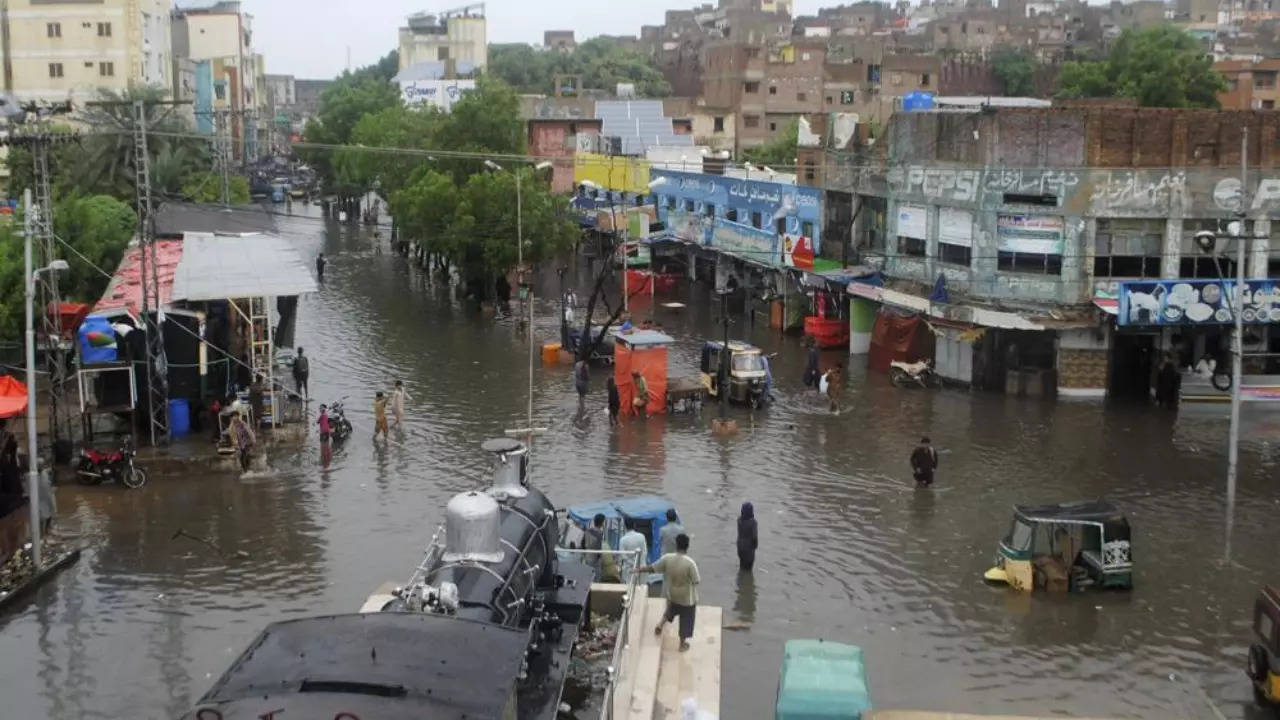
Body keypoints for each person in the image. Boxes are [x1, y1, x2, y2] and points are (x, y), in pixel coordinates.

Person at [637, 533, 700, 652]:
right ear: (687, 546)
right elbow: (696, 581)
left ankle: (660, 625)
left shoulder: (667, 558)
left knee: (671, 610)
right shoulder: (690, 563)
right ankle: (682, 644)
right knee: (686, 620)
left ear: (676, 545)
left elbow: (652, 568)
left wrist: (638, 570)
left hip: (672, 594)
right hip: (687, 598)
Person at [583, 513, 606, 581]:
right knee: (596, 577)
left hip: (587, 556)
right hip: (595, 558)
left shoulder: (587, 531)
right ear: (601, 522)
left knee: (588, 576)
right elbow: (598, 546)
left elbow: (583, 543)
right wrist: (599, 557)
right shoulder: (599, 533)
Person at [736, 502, 758, 571]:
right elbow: (754, 537)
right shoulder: (753, 523)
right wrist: (755, 546)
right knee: (748, 570)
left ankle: (740, 580)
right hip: (749, 550)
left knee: (742, 566)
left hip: (740, 548)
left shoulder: (739, 520)